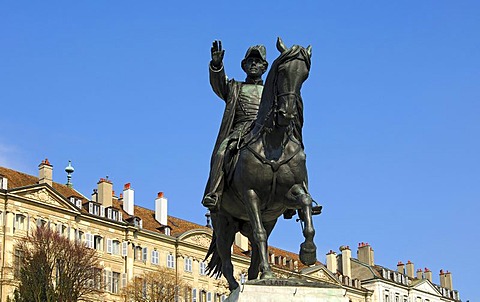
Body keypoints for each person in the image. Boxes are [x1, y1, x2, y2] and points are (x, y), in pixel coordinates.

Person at [202, 40, 268, 212]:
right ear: (243, 65)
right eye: (250, 61)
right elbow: (219, 84)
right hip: (239, 132)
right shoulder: (235, 87)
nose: (254, 63)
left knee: (295, 154)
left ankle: (300, 197)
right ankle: (214, 193)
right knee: (221, 152)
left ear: (264, 66)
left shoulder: (270, 91)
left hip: (265, 133)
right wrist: (217, 65)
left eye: (258, 61)